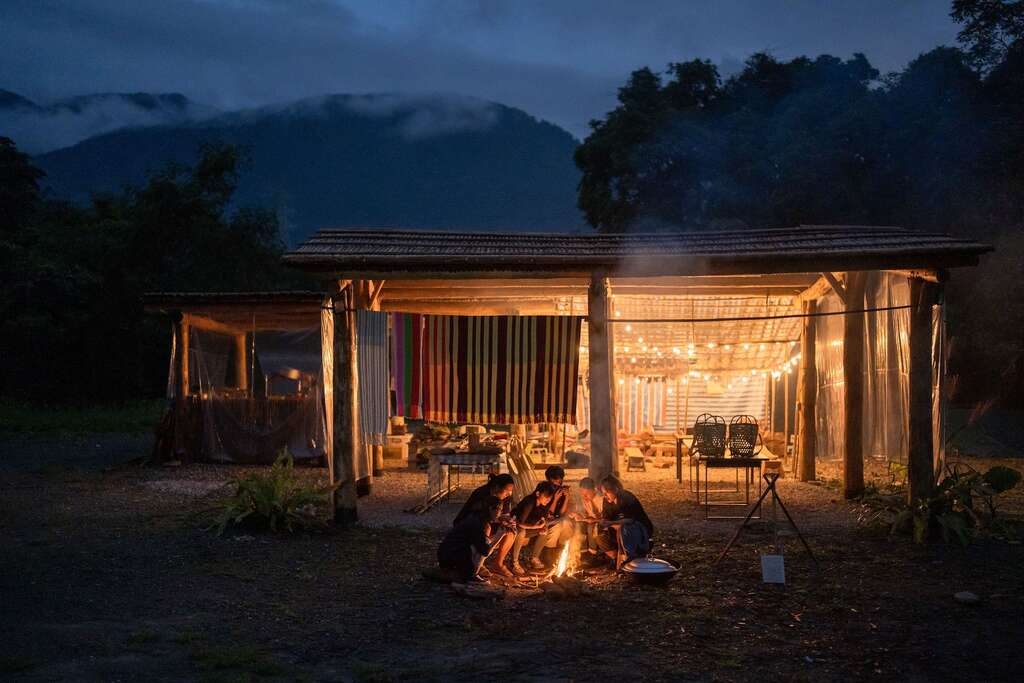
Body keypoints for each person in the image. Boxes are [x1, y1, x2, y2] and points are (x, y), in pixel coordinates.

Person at [452, 473, 518, 577]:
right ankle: (478, 564)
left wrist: (507, 520)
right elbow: (476, 516)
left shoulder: (506, 497)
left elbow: (503, 515)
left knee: (511, 531)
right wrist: (498, 522)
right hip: (471, 525)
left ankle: (498, 564)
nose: (509, 493)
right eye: (507, 490)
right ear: (496, 487)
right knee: (487, 527)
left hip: (490, 522)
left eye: (511, 490)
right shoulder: (481, 494)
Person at [437, 496, 502, 583]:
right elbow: (485, 551)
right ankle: (472, 574)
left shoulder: (475, 517)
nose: (500, 513)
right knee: (487, 542)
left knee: (486, 541)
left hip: (446, 553)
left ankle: (469, 571)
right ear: (491, 509)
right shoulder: (477, 524)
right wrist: (500, 535)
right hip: (450, 556)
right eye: (500, 510)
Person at [597, 475, 654, 569]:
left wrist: (611, 523)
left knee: (624, 528)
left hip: (639, 528)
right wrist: (604, 523)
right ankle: (615, 559)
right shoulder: (606, 501)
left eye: (607, 492)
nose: (605, 496)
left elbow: (631, 520)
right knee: (599, 535)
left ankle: (630, 559)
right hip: (619, 528)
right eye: (603, 493)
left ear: (615, 489)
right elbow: (607, 519)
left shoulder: (626, 497)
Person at [510, 481, 559, 573]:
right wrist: (534, 526)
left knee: (544, 531)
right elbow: (519, 523)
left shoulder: (544, 504)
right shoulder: (529, 502)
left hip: (529, 528)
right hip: (515, 527)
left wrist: (542, 525)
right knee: (521, 532)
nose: (548, 500)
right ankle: (514, 563)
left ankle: (534, 558)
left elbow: (542, 518)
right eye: (546, 497)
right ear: (537, 493)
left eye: (550, 498)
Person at [568, 476, 603, 557]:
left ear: (594, 490)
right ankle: (583, 551)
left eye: (587, 494)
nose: (584, 496)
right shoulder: (585, 499)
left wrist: (591, 520)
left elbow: (604, 518)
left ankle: (593, 553)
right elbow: (586, 514)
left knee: (591, 527)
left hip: (599, 523)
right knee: (578, 524)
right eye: (582, 494)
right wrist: (577, 515)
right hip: (589, 521)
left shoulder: (601, 499)